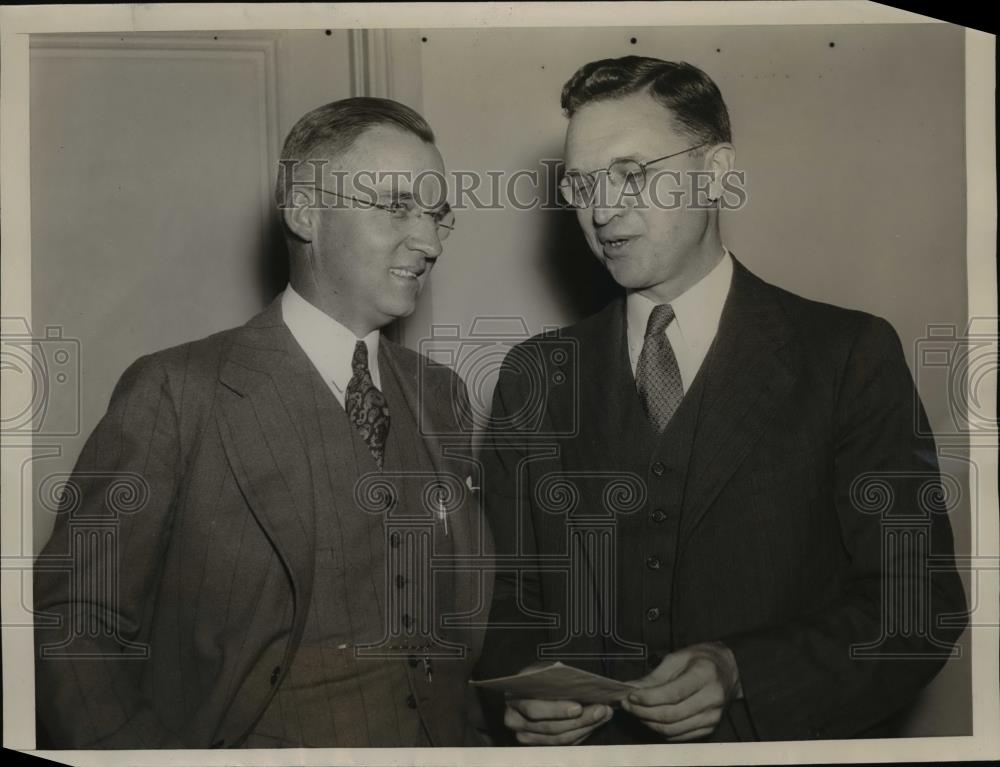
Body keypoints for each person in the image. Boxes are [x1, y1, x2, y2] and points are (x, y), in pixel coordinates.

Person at [475, 56, 967, 745]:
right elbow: (506, 601)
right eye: (581, 183)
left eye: (632, 173)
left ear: (717, 173)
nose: (601, 209)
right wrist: (525, 687)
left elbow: (920, 609)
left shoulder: (846, 355)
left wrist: (744, 671)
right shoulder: (535, 373)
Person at [34, 97, 492, 749]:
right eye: (396, 207)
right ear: (305, 211)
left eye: (437, 215)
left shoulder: (441, 395)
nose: (427, 241)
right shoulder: (176, 392)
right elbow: (72, 623)